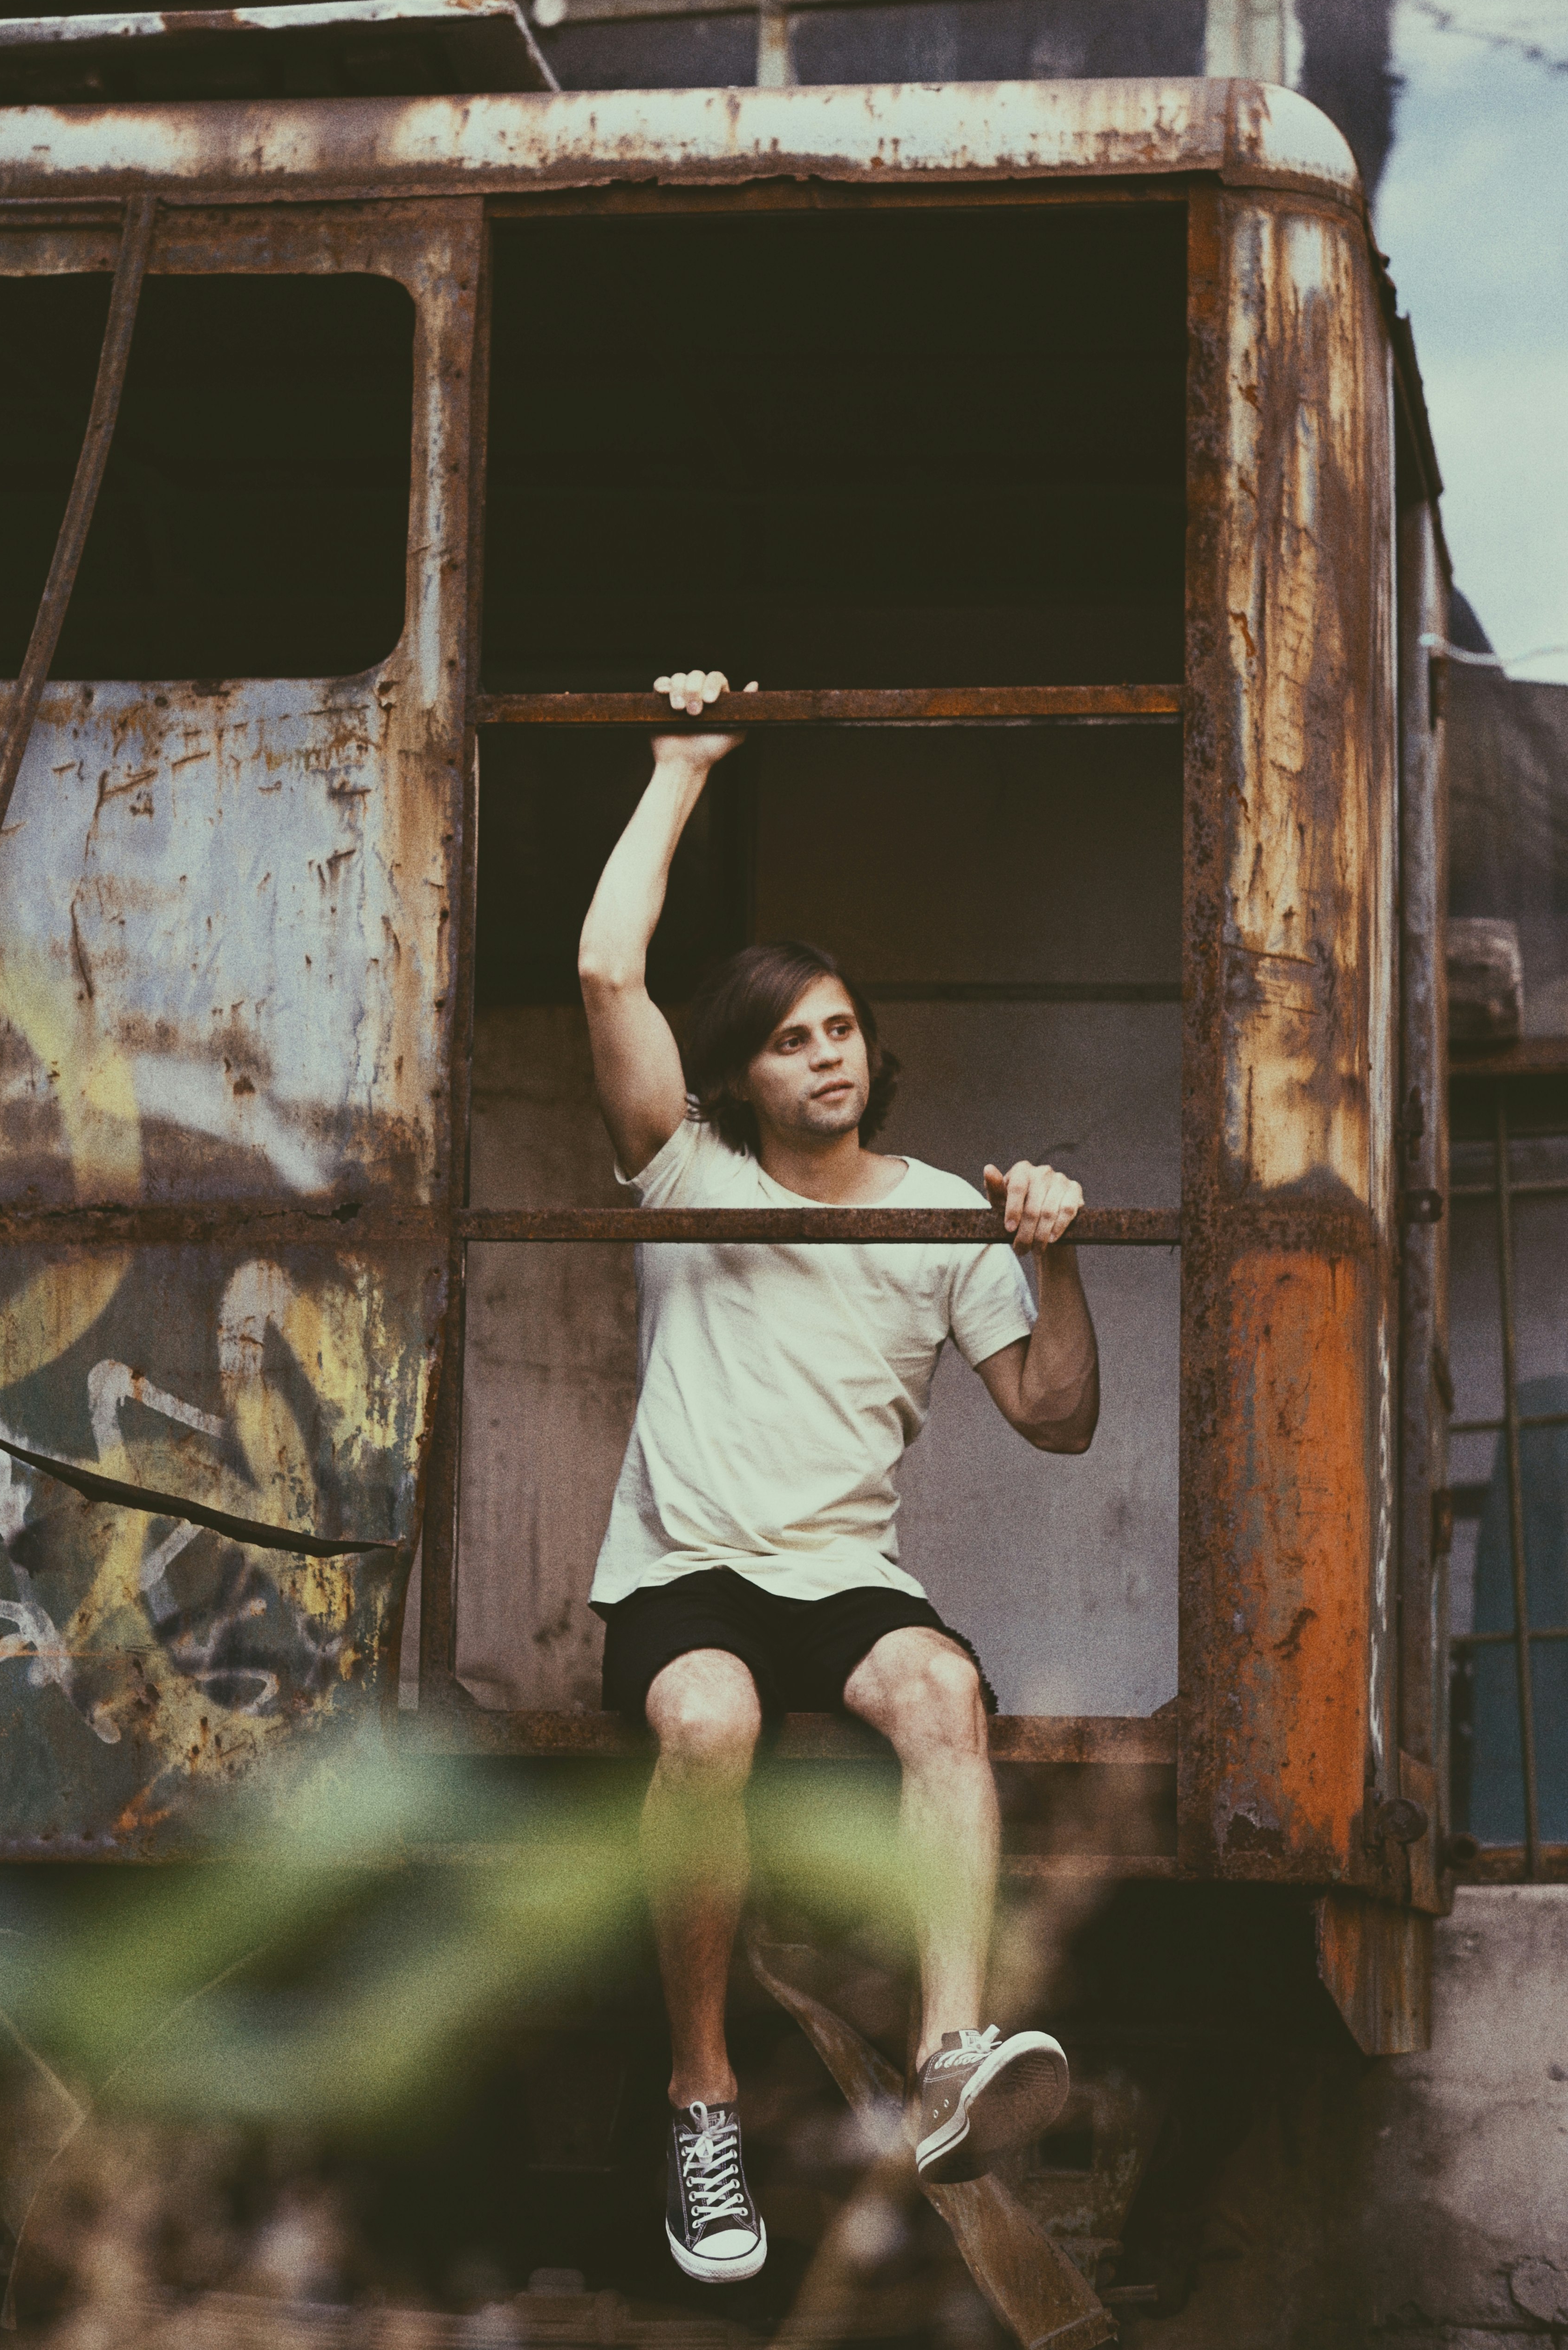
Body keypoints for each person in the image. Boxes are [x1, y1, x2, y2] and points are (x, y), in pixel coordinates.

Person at [577, 666, 1102, 2287]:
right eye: (795, 1041)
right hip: (687, 1573)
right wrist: (681, 767)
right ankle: (704, 2096)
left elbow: (1056, 1416)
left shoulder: (945, 1207)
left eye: (846, 1030)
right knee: (709, 1718)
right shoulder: (688, 1168)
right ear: (741, 1072)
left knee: (943, 1689)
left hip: (844, 1578)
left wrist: (1051, 1253)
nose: (829, 1058)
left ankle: (951, 2064)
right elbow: (608, 968)